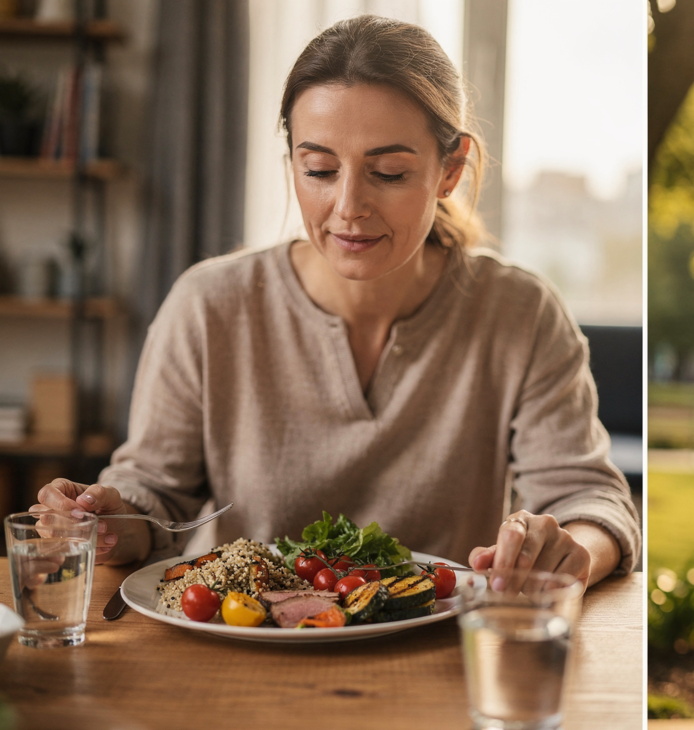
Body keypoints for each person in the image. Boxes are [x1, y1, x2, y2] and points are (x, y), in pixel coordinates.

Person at [31, 15, 639, 589]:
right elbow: (153, 500)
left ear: (450, 170)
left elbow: (589, 499)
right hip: (254, 650)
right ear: (292, 162)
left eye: (390, 173)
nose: (349, 206)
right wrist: (104, 522)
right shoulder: (209, 305)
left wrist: (571, 548)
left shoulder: (521, 313)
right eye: (319, 169)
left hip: (445, 662)